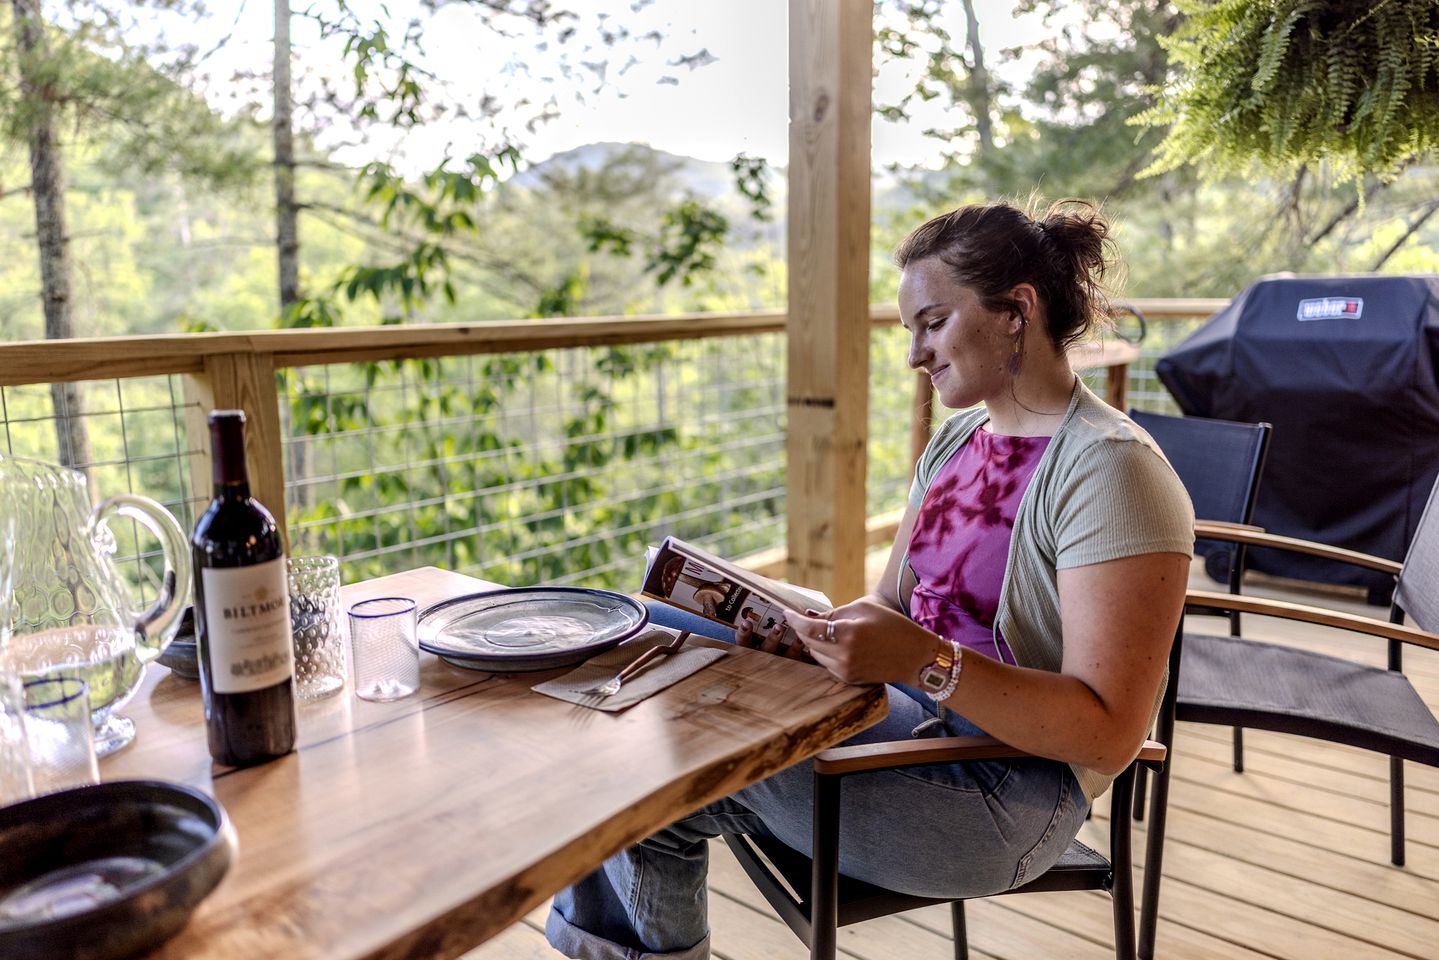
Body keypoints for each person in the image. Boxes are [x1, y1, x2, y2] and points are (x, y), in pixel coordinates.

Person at [546, 199, 1194, 960]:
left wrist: (926, 663)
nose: (914, 354)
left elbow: (1110, 732)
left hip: (1003, 797)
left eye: (933, 322)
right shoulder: (959, 440)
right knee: (655, 631)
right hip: (898, 718)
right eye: (909, 331)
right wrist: (799, 628)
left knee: (658, 754)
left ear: (1016, 309)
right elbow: (891, 605)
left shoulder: (1111, 471)